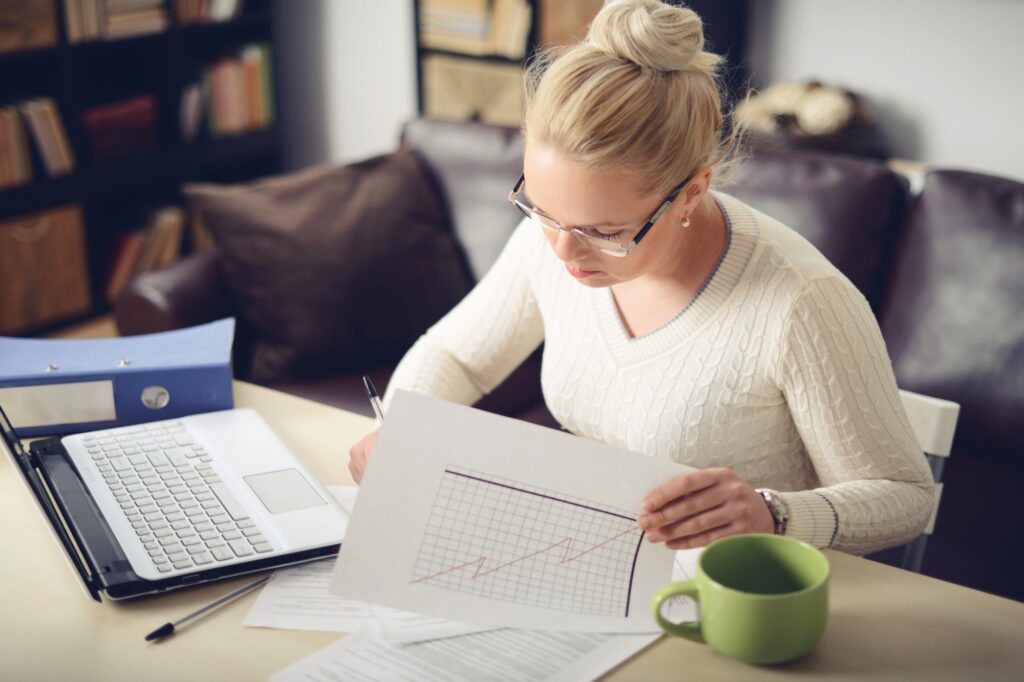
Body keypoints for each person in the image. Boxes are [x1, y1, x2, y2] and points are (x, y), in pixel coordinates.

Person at [348, 0, 933, 555]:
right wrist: (399, 429)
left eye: (604, 230)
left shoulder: (801, 302)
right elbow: (459, 356)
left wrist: (774, 515)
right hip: (595, 559)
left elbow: (905, 498)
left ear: (692, 191)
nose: (561, 249)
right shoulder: (553, 237)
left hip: (742, 598)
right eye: (541, 209)